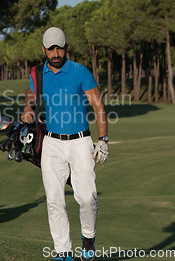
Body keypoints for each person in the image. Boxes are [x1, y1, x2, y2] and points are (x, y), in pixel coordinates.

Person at [21, 27, 109, 261]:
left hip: (80, 142)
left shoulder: (80, 72)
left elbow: (98, 106)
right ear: (44, 50)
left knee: (87, 197)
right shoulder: (38, 74)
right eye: (51, 49)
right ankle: (63, 253)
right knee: (54, 200)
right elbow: (31, 96)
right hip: (51, 143)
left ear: (66, 47)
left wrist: (103, 140)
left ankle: (88, 240)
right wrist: (28, 109)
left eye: (59, 47)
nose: (56, 52)